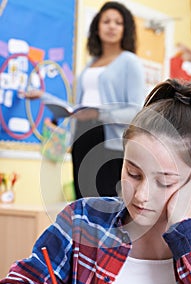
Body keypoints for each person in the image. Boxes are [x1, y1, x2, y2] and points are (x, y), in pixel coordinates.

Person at [0, 79, 191, 284]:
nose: (142, 195)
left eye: (165, 181)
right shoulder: (83, 220)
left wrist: (184, 230)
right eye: (133, 173)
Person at [23, 1, 145, 199]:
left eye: (118, 22)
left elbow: (136, 112)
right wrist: (43, 96)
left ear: (126, 29)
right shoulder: (90, 64)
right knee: (83, 204)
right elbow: (76, 107)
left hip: (109, 141)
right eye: (106, 21)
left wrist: (99, 113)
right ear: (97, 27)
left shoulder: (130, 62)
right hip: (82, 136)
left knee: (105, 206)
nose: (112, 26)